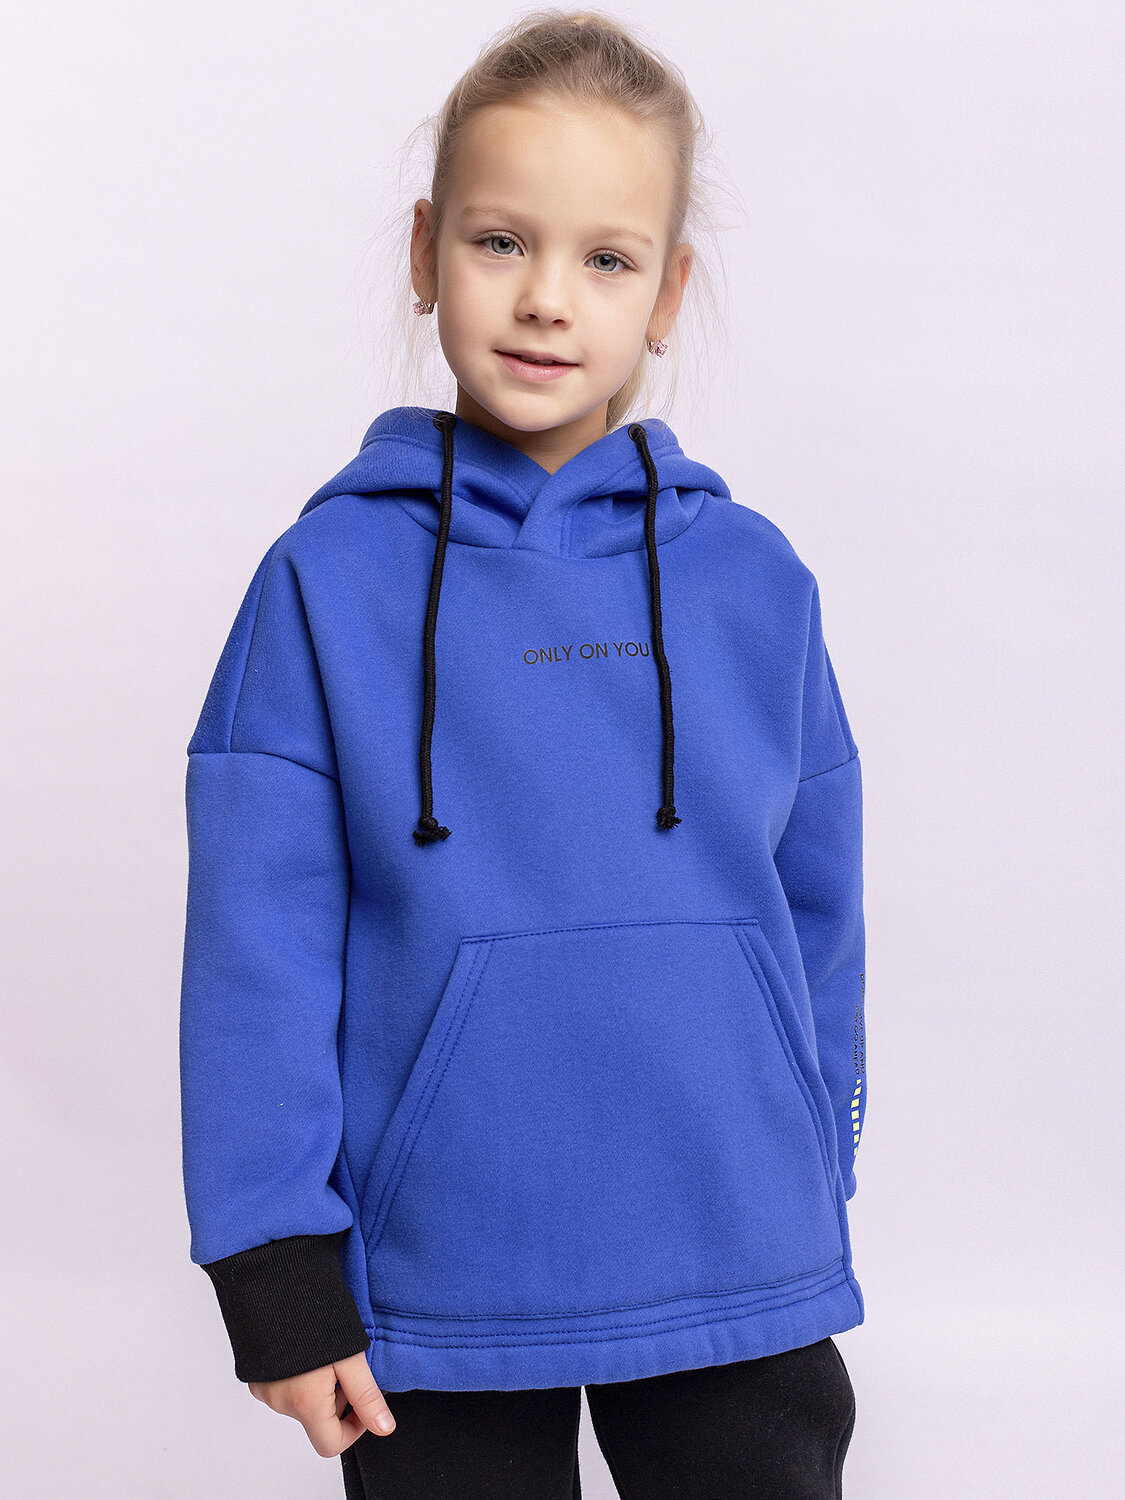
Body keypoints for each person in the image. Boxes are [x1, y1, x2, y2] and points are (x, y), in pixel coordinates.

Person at [178, 10, 868, 1498]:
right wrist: (274, 1265)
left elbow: (820, 922)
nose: (547, 298)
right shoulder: (325, 584)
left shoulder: (755, 584)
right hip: (436, 1278)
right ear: (426, 252)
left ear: (668, 293)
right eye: (501, 242)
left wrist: (821, 1167)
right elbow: (255, 950)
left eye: (606, 259)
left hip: (737, 1247)